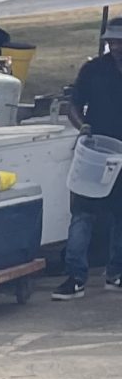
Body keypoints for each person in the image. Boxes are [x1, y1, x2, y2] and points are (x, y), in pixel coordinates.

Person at [53, 17, 122, 297]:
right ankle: (75, 276)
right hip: (97, 151)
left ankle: (116, 272)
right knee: (83, 214)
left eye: (120, 42)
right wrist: (83, 126)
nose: (115, 46)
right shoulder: (93, 70)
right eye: (111, 41)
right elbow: (73, 103)